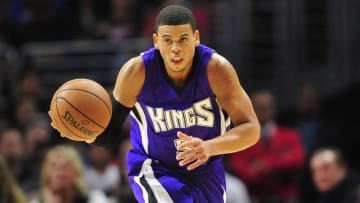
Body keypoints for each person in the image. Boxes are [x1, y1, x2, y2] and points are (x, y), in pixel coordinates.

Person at [49, 4, 260, 203]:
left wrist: (209, 147)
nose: (175, 48)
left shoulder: (216, 70)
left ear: (196, 38)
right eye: (168, 40)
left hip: (205, 169)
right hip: (153, 168)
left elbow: (251, 129)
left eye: (183, 39)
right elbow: (108, 135)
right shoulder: (136, 72)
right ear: (156, 41)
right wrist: (78, 131)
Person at [226, 89, 305, 203]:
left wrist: (266, 164)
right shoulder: (239, 140)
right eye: (259, 108)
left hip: (286, 198)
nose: (263, 111)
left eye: (267, 107)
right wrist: (281, 159)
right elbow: (243, 172)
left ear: (274, 109)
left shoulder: (289, 135)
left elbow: (297, 160)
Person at [28, 144, 109, 203]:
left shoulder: (95, 199)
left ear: (76, 172)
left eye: (65, 167)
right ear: (47, 173)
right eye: (54, 167)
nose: (60, 172)